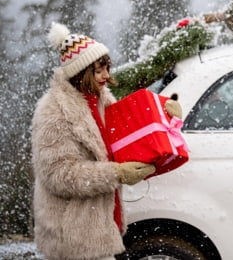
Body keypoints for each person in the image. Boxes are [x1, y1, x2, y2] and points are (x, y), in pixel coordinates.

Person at [31, 22, 182, 260]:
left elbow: (127, 132)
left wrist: (164, 114)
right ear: (80, 72)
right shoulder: (53, 111)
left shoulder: (100, 98)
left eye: (107, 68)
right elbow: (58, 175)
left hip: (99, 226)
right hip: (73, 233)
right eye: (99, 70)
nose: (107, 76)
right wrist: (116, 174)